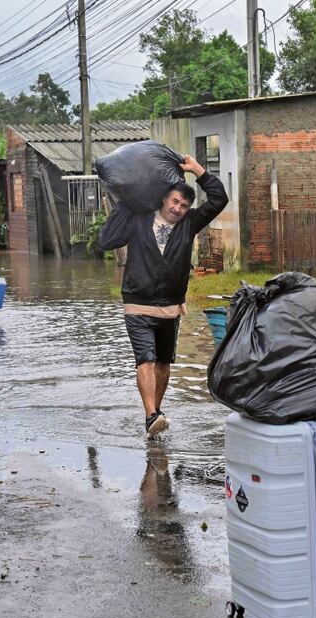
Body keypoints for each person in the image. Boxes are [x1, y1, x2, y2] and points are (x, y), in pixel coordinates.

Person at [98, 155, 228, 437]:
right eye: (175, 202)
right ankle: (151, 414)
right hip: (137, 302)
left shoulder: (190, 223)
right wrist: (125, 205)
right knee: (145, 359)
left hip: (170, 307)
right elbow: (106, 240)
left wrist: (198, 171)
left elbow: (219, 199)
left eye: (184, 205)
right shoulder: (138, 218)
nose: (179, 208)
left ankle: (153, 415)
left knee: (164, 364)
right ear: (163, 200)